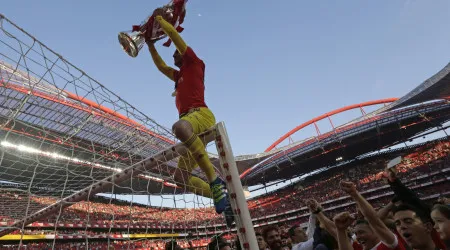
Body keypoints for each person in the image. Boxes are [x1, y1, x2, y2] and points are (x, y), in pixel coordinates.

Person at [146, 12, 231, 222]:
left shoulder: (194, 63)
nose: (173, 56)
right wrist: (150, 45)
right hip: (192, 127)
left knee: (180, 128)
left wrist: (160, 22)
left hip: (200, 116)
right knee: (181, 178)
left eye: (176, 53)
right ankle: (223, 199)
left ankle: (214, 181)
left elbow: (175, 35)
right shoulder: (178, 77)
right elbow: (160, 67)